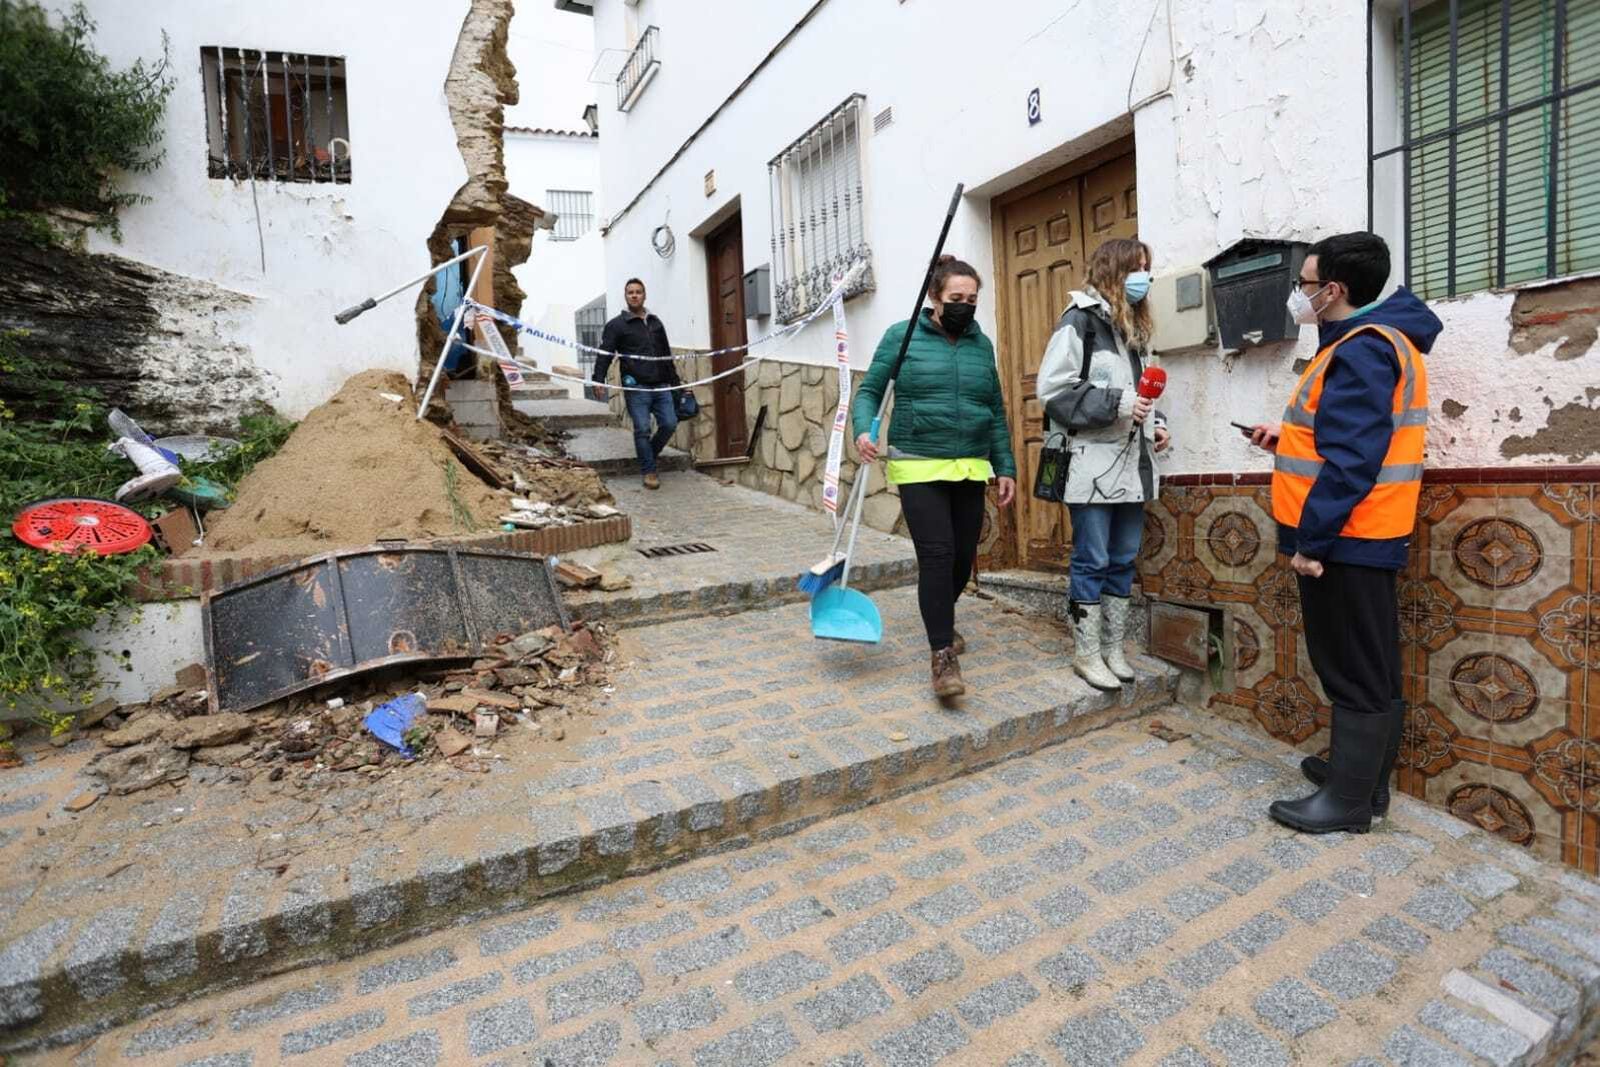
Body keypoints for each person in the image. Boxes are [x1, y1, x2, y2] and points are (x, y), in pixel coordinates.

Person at [1250, 231, 1440, 834]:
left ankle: (1350, 804)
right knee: (1373, 661)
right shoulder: (1378, 342)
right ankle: (1364, 785)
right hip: (1366, 534)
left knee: (1351, 665)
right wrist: (1286, 438)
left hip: (1346, 538)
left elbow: (1353, 462)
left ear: (1333, 290)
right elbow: (1348, 439)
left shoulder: (1360, 348)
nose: (1298, 295)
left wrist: (1312, 545)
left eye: (1304, 285)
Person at [852, 256, 1017, 699]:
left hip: (969, 465)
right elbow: (870, 390)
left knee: (964, 556)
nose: (965, 306)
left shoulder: (981, 345)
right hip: (919, 461)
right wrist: (863, 429)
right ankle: (942, 654)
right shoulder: (902, 336)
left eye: (971, 299)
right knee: (939, 555)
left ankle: (941, 614)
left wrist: (1006, 466)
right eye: (955, 299)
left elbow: (995, 411)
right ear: (934, 298)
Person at [1036, 238, 1171, 692]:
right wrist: (1119, 403)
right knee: (1092, 559)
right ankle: (1086, 653)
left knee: (1123, 558)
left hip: (1132, 466)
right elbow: (1053, 391)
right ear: (1114, 271)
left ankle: (1113, 647)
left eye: (1148, 269)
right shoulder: (1079, 322)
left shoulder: (1135, 330)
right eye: (1138, 268)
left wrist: (1159, 424)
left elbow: (1142, 394)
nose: (1145, 278)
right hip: (1091, 467)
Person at [592, 278, 680, 489]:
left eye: (638, 292)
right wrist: (598, 379)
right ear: (625, 296)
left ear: (644, 295)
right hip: (636, 386)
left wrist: (677, 383)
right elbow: (605, 354)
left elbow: (665, 355)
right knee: (642, 429)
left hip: (661, 385)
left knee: (669, 424)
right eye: (630, 292)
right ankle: (649, 471)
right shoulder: (616, 325)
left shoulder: (656, 322)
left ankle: (647, 453)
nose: (634, 295)